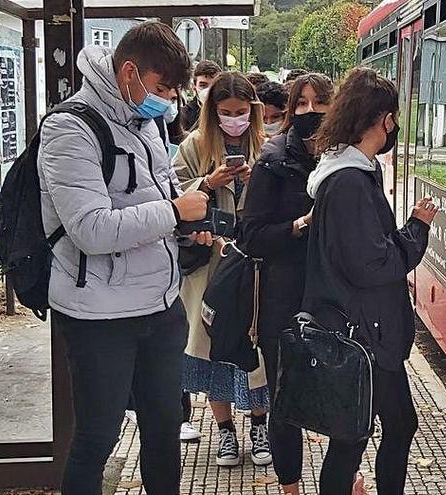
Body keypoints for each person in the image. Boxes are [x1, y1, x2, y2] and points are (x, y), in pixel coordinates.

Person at [37, 22, 210, 494]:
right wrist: (174, 211)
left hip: (160, 303)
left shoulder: (147, 122)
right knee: (97, 438)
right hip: (99, 315)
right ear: (129, 71)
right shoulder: (69, 128)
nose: (168, 100)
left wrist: (189, 227)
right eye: (162, 87)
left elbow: (158, 195)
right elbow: (90, 230)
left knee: (165, 428)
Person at [303, 67, 439, 495]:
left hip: (365, 331)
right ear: (384, 118)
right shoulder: (348, 182)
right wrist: (416, 227)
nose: (394, 126)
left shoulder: (348, 173)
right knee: (361, 434)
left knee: (373, 430)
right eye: (393, 117)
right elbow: (372, 264)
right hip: (363, 334)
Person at [241, 72, 334, 495]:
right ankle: (290, 485)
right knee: (285, 399)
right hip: (283, 298)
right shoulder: (272, 159)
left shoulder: (347, 159)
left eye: (319, 103)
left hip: (335, 299)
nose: (310, 111)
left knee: (339, 389)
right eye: (301, 103)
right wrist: (298, 226)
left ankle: (344, 474)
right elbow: (250, 234)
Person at [173, 72, 271, 467]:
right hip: (209, 265)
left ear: (254, 112)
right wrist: (208, 181)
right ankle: (225, 431)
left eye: (242, 112)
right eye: (226, 112)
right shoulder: (194, 146)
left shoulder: (265, 147)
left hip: (254, 267)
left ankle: (260, 426)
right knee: (213, 344)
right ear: (212, 111)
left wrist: (256, 179)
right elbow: (171, 196)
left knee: (256, 343)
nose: (234, 119)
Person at [180, 60, 222, 131]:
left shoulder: (226, 113)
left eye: (214, 85)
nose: (208, 90)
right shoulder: (184, 115)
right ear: (194, 87)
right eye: (203, 85)